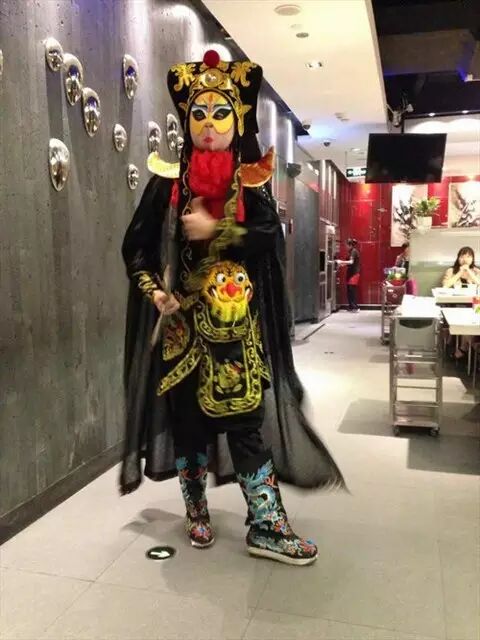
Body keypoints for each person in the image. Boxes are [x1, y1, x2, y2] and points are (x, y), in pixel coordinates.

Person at [120, 50, 344, 566]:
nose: (209, 124)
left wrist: (217, 227)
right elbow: (135, 248)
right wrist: (155, 292)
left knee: (246, 423)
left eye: (220, 114)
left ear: (237, 121)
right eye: (198, 113)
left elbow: (269, 236)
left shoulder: (250, 179)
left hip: (236, 331)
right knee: (188, 427)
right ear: (186, 121)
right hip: (182, 333)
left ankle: (266, 524)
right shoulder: (167, 183)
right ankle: (195, 509)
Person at [338, 239, 360, 311]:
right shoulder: (350, 251)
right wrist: (342, 264)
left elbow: (351, 262)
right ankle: (351, 306)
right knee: (349, 290)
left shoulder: (354, 251)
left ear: (350, 245)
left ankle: (355, 307)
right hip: (350, 273)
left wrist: (341, 261)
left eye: (346, 245)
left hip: (354, 274)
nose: (346, 247)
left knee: (352, 290)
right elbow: (349, 263)